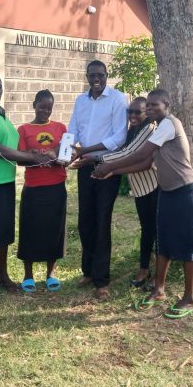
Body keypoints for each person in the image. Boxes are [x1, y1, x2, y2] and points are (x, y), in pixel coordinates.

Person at [93, 89, 193, 319]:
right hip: (167, 191)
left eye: (155, 105)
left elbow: (142, 153)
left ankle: (190, 297)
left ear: (167, 105)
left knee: (186, 243)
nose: (151, 109)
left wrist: (110, 166)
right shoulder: (156, 128)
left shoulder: (169, 124)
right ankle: (159, 290)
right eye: (149, 105)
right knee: (162, 241)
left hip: (186, 190)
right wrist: (113, 173)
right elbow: (144, 163)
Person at [0, 72, 53, 300]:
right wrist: (31, 158)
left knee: (3, 231)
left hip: (5, 181)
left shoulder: (1, 114)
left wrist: (32, 154)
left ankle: (2, 276)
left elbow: (13, 147)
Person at [68, 60, 128, 299]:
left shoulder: (117, 99)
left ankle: (102, 280)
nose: (96, 79)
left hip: (107, 166)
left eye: (100, 75)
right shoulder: (81, 100)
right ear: (86, 75)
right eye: (92, 75)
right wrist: (68, 152)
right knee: (85, 219)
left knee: (102, 221)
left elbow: (118, 137)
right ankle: (88, 271)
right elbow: (72, 130)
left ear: (107, 75)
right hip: (85, 167)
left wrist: (85, 151)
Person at [84, 97, 158, 289]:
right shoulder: (132, 130)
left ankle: (156, 275)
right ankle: (144, 269)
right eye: (130, 112)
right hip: (140, 187)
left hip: (153, 186)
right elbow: (125, 151)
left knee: (155, 231)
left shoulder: (149, 129)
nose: (132, 116)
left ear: (146, 114)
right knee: (146, 230)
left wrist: (94, 158)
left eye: (137, 112)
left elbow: (129, 154)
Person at [16, 90, 68, 293]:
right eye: (42, 106)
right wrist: (34, 155)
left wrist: (57, 156)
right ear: (34, 105)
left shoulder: (60, 128)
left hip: (56, 185)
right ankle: (28, 274)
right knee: (30, 229)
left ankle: (50, 273)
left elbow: (66, 155)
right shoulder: (24, 129)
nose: (45, 111)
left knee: (54, 229)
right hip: (34, 187)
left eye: (49, 107)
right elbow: (19, 158)